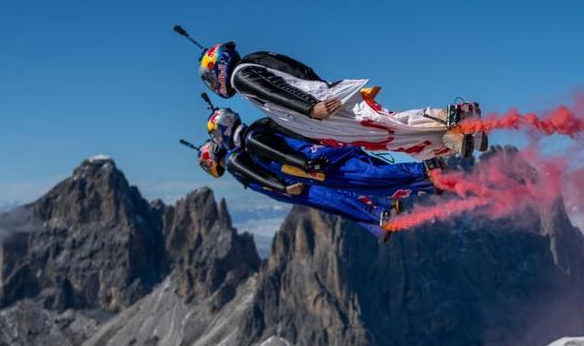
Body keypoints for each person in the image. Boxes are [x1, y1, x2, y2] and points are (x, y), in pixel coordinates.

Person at [175, 26, 487, 158]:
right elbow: (300, 72)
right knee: (383, 134)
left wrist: (312, 109)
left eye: (209, 78)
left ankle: (458, 116)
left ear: (218, 67)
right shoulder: (256, 61)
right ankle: (453, 137)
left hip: (324, 110)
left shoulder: (244, 76)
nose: (213, 86)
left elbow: (276, 90)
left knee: (385, 125)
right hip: (324, 109)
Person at [206, 104, 442, 202]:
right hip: (319, 157)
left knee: (368, 177)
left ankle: (424, 170)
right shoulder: (257, 128)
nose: (219, 140)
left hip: (318, 162)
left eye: (216, 135)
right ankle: (425, 182)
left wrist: (306, 164)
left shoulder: (251, 139)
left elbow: (280, 153)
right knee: (369, 180)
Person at [184, 139, 395, 241]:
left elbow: (263, 178)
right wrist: (286, 185)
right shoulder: (235, 159)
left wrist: (285, 187)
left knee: (334, 199)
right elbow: (263, 176)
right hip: (291, 184)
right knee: (336, 194)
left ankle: (378, 217)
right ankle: (380, 213)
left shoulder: (234, 163)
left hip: (289, 187)